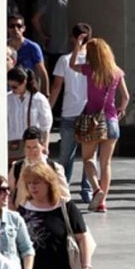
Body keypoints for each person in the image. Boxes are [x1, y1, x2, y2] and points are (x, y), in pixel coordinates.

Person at [70, 36, 129, 212]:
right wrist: (121, 109)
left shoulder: (89, 69)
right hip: (111, 120)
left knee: (88, 159)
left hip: (92, 120)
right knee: (106, 164)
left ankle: (96, 190)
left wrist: (77, 47)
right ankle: (103, 201)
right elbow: (125, 96)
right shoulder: (117, 71)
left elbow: (71, 65)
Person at [50, 23, 92, 203]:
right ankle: (86, 189)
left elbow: (56, 87)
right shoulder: (89, 60)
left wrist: (49, 109)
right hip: (86, 112)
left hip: (73, 111)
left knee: (66, 155)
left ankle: (65, 188)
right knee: (88, 155)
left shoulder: (66, 60)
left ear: (73, 38)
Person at [8, 126, 71, 210]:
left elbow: (65, 197)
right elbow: (8, 191)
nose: (31, 152)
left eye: (35, 147)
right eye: (28, 147)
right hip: (22, 215)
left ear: (43, 146)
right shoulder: (17, 167)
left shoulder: (55, 168)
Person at [7, 66, 53, 165]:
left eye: (15, 87)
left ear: (24, 82)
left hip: (32, 142)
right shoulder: (7, 99)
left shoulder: (39, 99)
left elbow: (46, 125)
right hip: (12, 144)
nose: (12, 89)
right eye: (10, 86)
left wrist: (45, 145)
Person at [31, 0, 69, 74]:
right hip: (71, 46)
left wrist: (43, 35)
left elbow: (35, 20)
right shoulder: (75, 0)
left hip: (54, 45)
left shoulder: (50, 0)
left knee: (54, 75)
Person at [8, 13, 50, 96]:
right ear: (7, 28)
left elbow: (42, 72)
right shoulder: (3, 47)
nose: (15, 29)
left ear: (23, 28)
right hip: (8, 92)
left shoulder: (33, 47)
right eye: (12, 26)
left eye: (19, 26)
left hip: (27, 92)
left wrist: (46, 94)